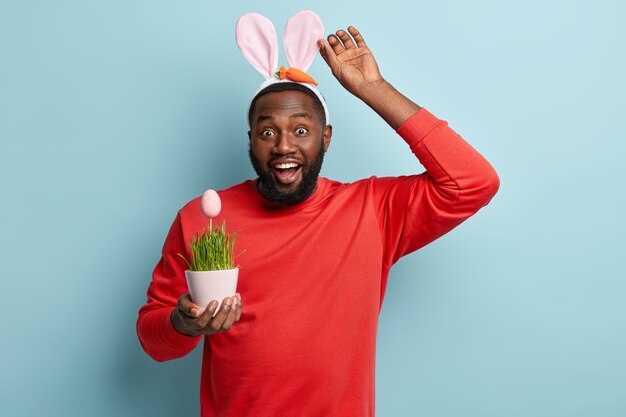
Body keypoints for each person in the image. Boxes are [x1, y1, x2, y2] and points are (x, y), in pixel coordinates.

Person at [137, 18, 499, 417]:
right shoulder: (201, 219)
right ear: (251, 139)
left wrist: (374, 90)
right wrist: (184, 324)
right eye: (268, 132)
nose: (284, 146)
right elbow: (154, 341)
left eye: (302, 130)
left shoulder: (372, 210)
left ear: (326, 137)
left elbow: (474, 182)